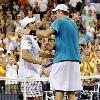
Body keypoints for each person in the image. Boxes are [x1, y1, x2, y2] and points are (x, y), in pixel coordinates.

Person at [36, 4, 83, 100]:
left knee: (59, 90)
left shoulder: (59, 21)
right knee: (71, 93)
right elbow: (68, 43)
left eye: (56, 13)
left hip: (62, 61)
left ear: (60, 12)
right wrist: (53, 47)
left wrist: (31, 31)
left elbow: (45, 34)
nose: (55, 15)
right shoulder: (73, 24)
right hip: (74, 61)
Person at [18, 17, 53, 100]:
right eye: (32, 23)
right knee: (35, 97)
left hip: (33, 73)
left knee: (35, 97)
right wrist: (40, 63)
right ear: (27, 26)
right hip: (28, 75)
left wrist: (53, 56)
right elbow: (25, 55)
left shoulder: (31, 38)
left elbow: (38, 53)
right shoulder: (26, 38)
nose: (35, 24)